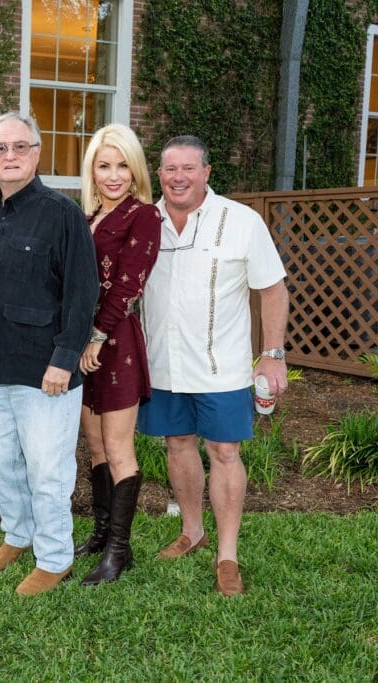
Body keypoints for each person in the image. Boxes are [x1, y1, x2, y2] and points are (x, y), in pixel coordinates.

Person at [0, 112, 98, 596]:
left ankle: (55, 557)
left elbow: (83, 292)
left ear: (36, 153)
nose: (9, 156)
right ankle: (18, 534)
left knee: (47, 469)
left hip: (45, 369)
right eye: (0, 149)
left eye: (20, 147)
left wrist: (64, 357)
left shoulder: (62, 214)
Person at [138, 135, 289, 596]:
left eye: (188, 168)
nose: (178, 177)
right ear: (158, 174)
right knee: (177, 444)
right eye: (169, 169)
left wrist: (272, 353)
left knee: (224, 452)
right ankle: (192, 530)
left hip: (221, 366)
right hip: (162, 364)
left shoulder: (241, 221)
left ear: (206, 172)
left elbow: (272, 288)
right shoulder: (145, 222)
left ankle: (227, 555)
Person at [75, 124, 161, 585]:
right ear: (92, 169)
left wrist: (95, 337)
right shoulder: (85, 215)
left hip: (115, 341)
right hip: (84, 342)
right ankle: (101, 532)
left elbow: (128, 285)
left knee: (118, 447)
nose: (113, 175)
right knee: (94, 444)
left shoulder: (143, 216)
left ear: (135, 170)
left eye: (122, 165)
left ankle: (118, 553)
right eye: (104, 165)